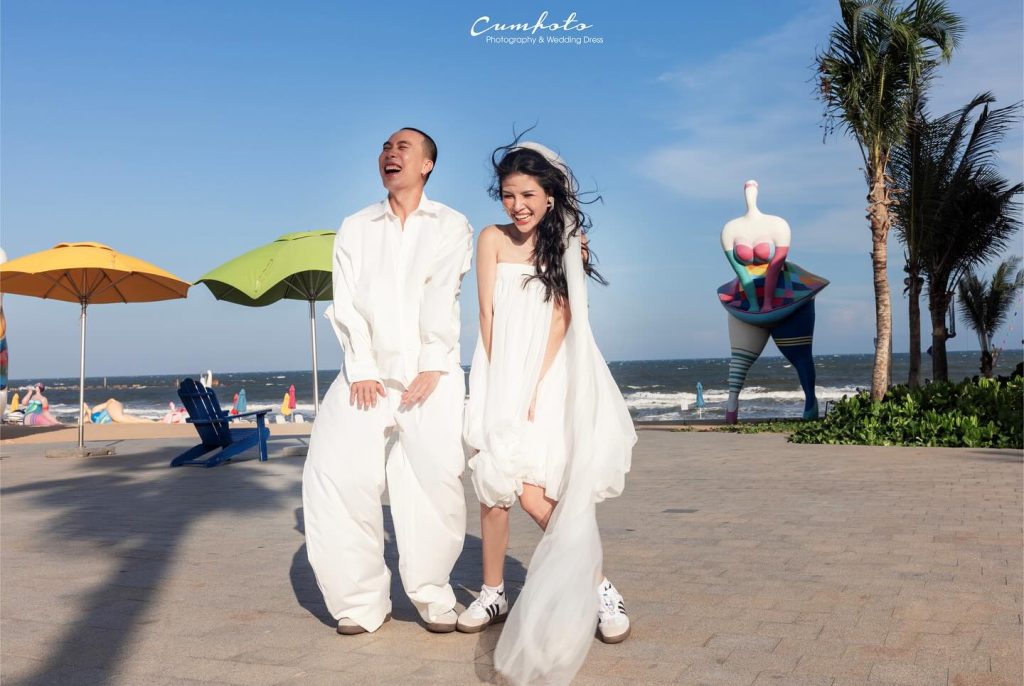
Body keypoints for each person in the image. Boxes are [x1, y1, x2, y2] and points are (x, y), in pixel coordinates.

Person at [460, 140, 636, 684]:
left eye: (528, 195)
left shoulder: (566, 245)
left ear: (551, 195)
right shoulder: (490, 239)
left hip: (549, 374)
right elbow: (486, 315)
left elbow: (564, 319)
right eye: (508, 195)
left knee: (537, 490)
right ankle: (493, 592)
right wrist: (497, 384)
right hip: (498, 367)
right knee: (492, 483)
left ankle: (597, 586)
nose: (517, 205)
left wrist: (533, 387)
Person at [302, 128, 473, 636]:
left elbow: (442, 293)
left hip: (431, 375)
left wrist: (433, 363)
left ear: (427, 165)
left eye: (403, 147)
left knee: (434, 484)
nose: (390, 153)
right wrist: (361, 367)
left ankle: (432, 594)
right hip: (366, 375)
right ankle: (359, 603)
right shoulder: (355, 226)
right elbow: (347, 301)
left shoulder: (452, 224)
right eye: (385, 147)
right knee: (335, 476)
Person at [82, 398, 156, 424]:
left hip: (112, 406)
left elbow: (109, 401)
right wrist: (86, 412)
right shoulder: (90, 419)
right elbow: (81, 422)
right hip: (113, 415)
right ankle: (155, 422)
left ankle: (155, 422)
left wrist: (87, 410)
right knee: (133, 420)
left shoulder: (94, 410)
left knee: (120, 418)